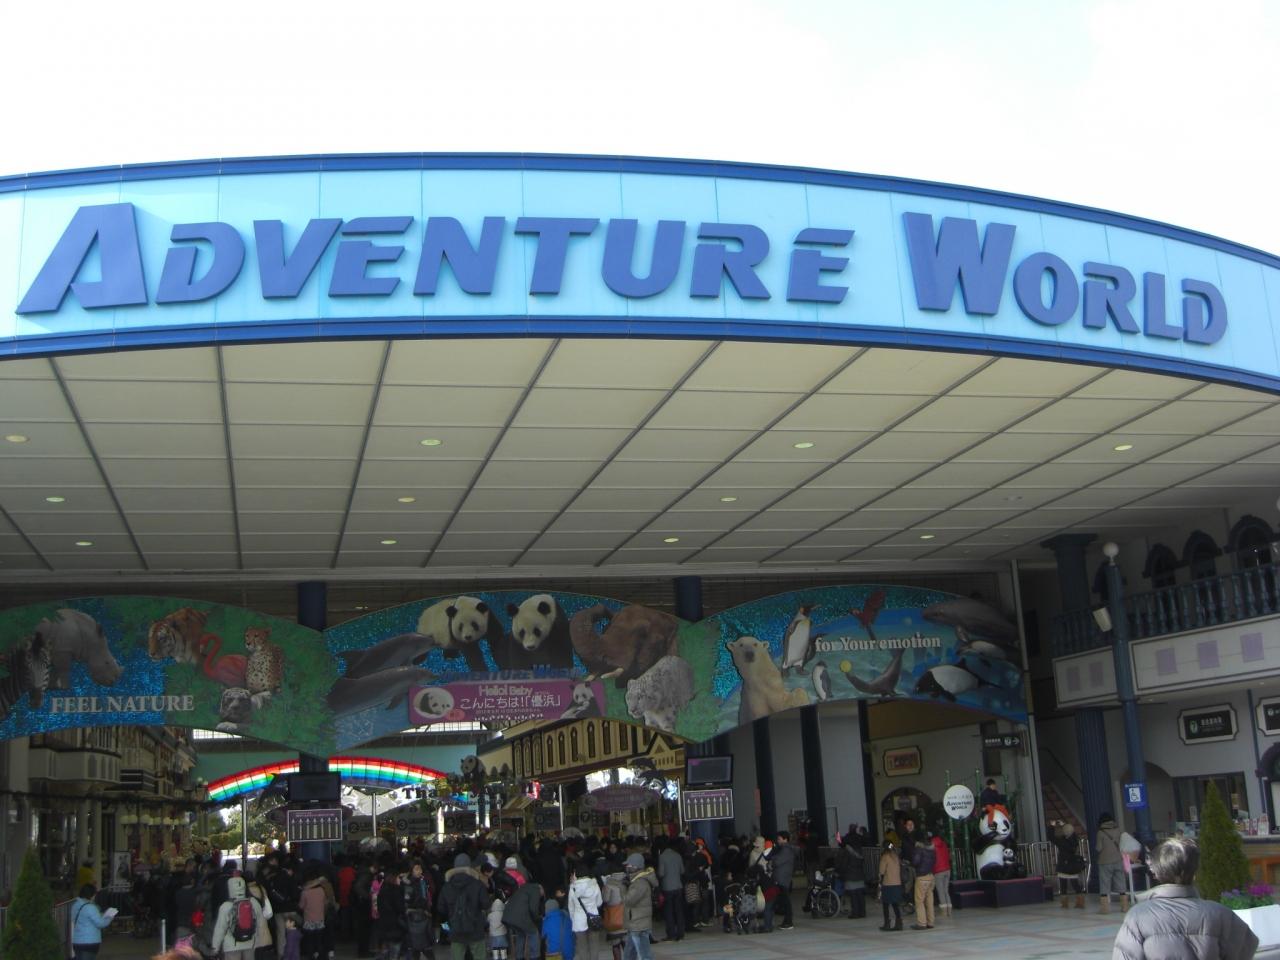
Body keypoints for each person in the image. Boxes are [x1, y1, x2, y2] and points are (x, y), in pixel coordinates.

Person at [1112, 837, 1258, 960]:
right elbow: (1246, 949)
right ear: (1195, 873)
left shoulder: (1138, 916)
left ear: (1156, 873)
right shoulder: (1220, 913)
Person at [439, 853, 490, 960]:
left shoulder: (446, 886)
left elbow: (441, 909)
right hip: (476, 928)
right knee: (479, 956)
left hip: (455, 929)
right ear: (469, 866)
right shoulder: (477, 884)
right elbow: (486, 904)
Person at [212, 875, 268, 960]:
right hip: (250, 943)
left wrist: (215, 948)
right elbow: (260, 923)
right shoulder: (254, 902)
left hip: (231, 946)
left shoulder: (226, 906)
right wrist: (258, 941)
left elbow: (220, 929)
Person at [621, 853, 656, 960]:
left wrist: (623, 887)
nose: (626, 867)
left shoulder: (640, 882)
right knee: (630, 955)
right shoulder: (636, 881)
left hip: (638, 925)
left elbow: (628, 900)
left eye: (628, 865)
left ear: (635, 866)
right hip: (637, 923)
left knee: (643, 956)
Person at [502, 871, 544, 960]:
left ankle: (519, 957)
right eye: (541, 895)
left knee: (521, 934)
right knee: (534, 932)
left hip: (508, 916)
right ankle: (535, 957)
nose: (541, 896)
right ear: (541, 889)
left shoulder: (524, 888)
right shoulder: (535, 889)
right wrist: (537, 918)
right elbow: (533, 908)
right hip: (519, 917)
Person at [567, 863, 604, 960]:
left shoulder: (573, 887)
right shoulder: (594, 885)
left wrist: (573, 919)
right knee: (594, 945)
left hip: (579, 920)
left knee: (582, 947)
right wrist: (592, 907)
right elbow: (599, 902)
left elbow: (571, 907)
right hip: (594, 918)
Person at [71, 883, 116, 960]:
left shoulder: (75, 905)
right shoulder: (90, 907)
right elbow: (100, 923)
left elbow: (81, 918)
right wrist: (110, 918)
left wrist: (100, 914)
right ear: (91, 895)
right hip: (90, 942)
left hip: (77, 941)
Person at [1096, 813, 1126, 913]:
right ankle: (1124, 906)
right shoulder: (1118, 830)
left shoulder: (1100, 832)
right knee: (1121, 882)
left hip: (1105, 861)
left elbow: (1099, 848)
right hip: (1118, 859)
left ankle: (1105, 909)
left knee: (1104, 883)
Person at [656, 839, 685, 942]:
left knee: (669, 912)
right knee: (679, 911)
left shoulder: (662, 857)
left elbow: (661, 873)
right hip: (678, 886)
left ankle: (671, 934)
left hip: (667, 887)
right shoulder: (678, 855)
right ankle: (680, 933)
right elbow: (682, 871)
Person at [1053, 822, 1087, 910]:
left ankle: (1064, 903)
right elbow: (1069, 832)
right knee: (1075, 884)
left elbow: (1052, 837)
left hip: (1063, 866)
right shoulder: (1074, 840)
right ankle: (1080, 902)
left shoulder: (1062, 842)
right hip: (1072, 865)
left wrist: (1052, 826)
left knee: (1063, 885)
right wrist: (1063, 824)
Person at [832, 834, 866, 919]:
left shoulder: (846, 852)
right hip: (860, 875)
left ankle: (855, 913)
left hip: (850, 876)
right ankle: (862, 912)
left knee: (853, 895)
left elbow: (843, 865)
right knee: (860, 895)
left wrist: (838, 872)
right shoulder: (859, 850)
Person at [909, 830, 936, 930]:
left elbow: (915, 861)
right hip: (931, 876)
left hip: (921, 877)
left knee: (919, 901)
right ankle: (930, 922)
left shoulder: (919, 849)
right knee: (929, 900)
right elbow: (935, 861)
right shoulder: (932, 849)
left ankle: (921, 923)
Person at [769, 831, 796, 930]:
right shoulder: (784, 849)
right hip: (782, 878)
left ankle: (788, 922)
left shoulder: (786, 850)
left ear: (785, 839)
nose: (778, 841)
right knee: (783, 901)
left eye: (779, 839)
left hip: (782, 879)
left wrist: (772, 857)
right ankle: (786, 921)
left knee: (785, 901)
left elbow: (776, 862)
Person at [878, 842, 903, 932]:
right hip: (897, 883)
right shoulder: (896, 856)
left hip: (888, 884)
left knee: (885, 905)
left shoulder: (885, 857)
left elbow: (881, 871)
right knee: (895, 904)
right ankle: (899, 923)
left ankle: (887, 923)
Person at [930, 831, 952, 918]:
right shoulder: (944, 843)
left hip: (938, 870)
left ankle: (944, 912)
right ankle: (949, 911)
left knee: (941, 891)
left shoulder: (932, 844)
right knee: (946, 891)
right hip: (947, 869)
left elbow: (932, 858)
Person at [488, 896, 509, 960]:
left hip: (493, 934)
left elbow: (487, 922)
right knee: (503, 947)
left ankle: (495, 958)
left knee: (495, 948)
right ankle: (504, 957)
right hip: (502, 933)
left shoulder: (490, 915)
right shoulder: (504, 914)